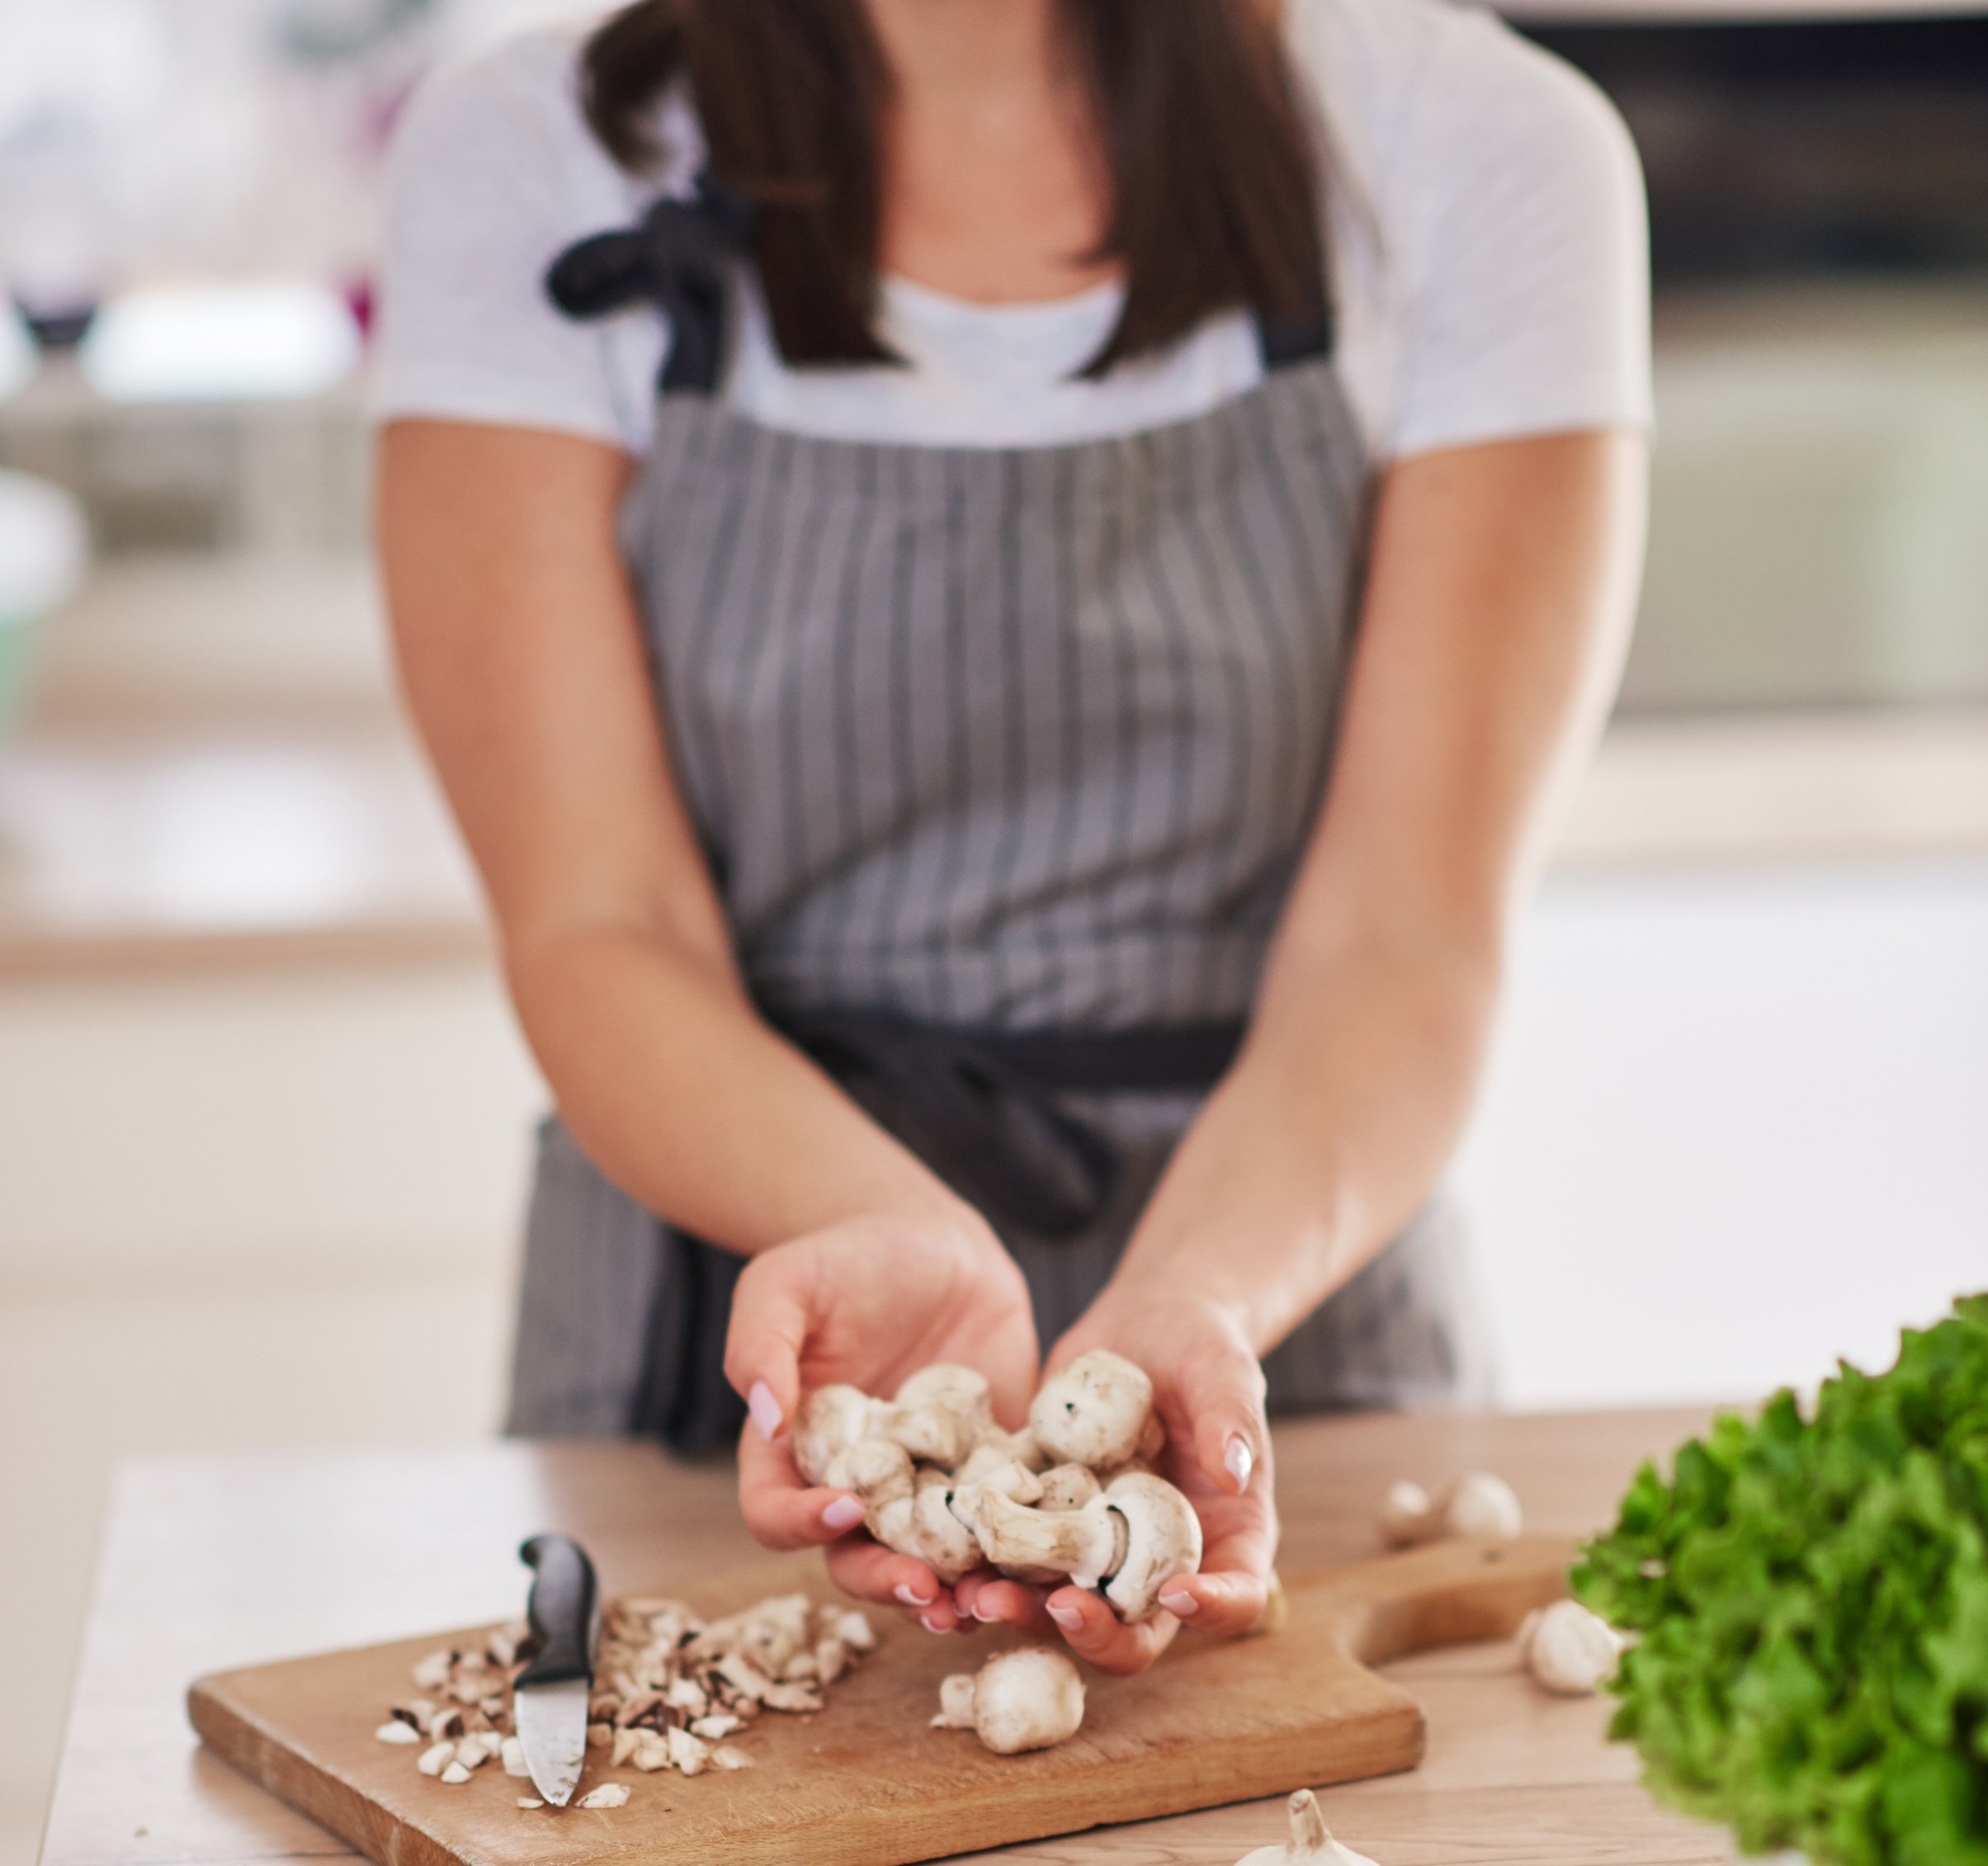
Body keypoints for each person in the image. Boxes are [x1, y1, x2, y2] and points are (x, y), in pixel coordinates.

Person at [375, 0, 1649, 1675]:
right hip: (731, 1355)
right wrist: (867, 1222)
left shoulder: (1481, 148)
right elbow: (600, 923)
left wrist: (1198, 1296)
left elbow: (1400, 937)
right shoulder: (529, 153)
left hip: (1294, 1340)